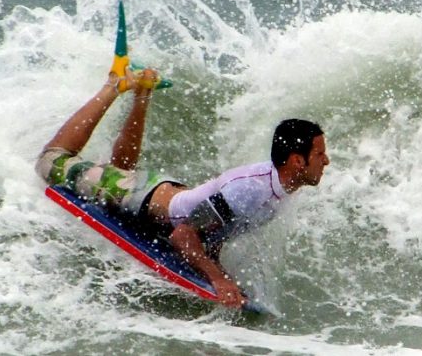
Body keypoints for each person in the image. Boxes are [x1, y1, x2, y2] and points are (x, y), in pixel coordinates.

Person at [36, 67, 330, 308]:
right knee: (52, 162)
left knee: (122, 168)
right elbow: (183, 235)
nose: (326, 161)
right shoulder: (252, 190)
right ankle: (113, 85)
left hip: (165, 196)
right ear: (296, 161)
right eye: (319, 154)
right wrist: (218, 279)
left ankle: (142, 92)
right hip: (142, 198)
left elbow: (218, 226)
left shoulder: (281, 189)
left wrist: (213, 264)